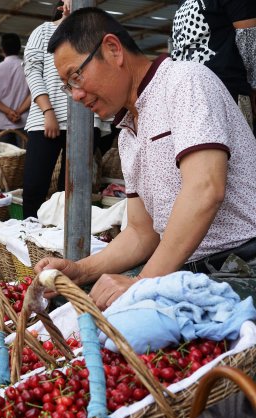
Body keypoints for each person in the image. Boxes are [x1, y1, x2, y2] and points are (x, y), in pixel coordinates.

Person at [36, 7, 256, 310]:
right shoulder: (127, 132)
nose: (75, 95)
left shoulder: (184, 81)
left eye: (76, 76)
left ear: (113, 50)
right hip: (188, 270)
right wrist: (81, 270)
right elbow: (142, 232)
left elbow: (205, 189)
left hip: (240, 266)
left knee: (123, 325)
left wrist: (143, 283)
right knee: (69, 302)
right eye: (67, 85)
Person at [22, 1, 108, 218]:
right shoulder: (43, 31)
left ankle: (62, 242)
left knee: (72, 190)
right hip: (46, 119)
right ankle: (28, 239)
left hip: (86, 119)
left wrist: (80, 24)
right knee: (34, 187)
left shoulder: (92, 32)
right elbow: (32, 72)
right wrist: (47, 111)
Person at [171, 0, 256, 130]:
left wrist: (254, 86)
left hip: (226, 93)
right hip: (188, 97)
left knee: (236, 146)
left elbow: (249, 40)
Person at [0, 33, 31, 145]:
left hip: (1, 123)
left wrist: (8, 112)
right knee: (24, 159)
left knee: (0, 159)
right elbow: (34, 92)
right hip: (24, 121)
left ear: (2, 49)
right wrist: (17, 112)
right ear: (20, 48)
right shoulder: (28, 67)